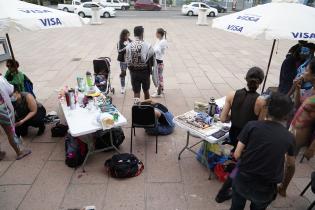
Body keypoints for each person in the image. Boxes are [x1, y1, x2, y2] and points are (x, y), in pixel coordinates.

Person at [230, 93, 295, 210]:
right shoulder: (289, 137)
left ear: (267, 109)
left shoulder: (252, 126)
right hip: (265, 189)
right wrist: (284, 187)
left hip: (242, 181)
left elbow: (237, 154)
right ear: (287, 116)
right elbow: (290, 165)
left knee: (236, 206)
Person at [216, 67, 266, 203]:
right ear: (260, 82)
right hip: (247, 140)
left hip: (233, 134)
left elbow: (222, 118)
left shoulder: (232, 94)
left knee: (236, 159)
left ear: (246, 78)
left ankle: (231, 173)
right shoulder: (261, 101)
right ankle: (223, 192)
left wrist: (235, 116)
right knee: (241, 165)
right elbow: (260, 126)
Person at [278, 59, 315, 197]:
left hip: (301, 133)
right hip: (293, 126)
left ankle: (283, 188)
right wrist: (298, 89)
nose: (304, 72)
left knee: (289, 162)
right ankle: (280, 183)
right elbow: (298, 106)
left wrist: (312, 148)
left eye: (307, 70)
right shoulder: (312, 88)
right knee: (284, 158)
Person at [0, 76, 31, 160]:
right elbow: (10, 90)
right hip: (2, 109)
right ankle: (19, 152)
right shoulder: (1, 79)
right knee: (10, 132)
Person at [126, 26, 155, 100]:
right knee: (146, 91)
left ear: (134, 34)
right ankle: (147, 108)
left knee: (136, 92)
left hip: (134, 73)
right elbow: (152, 60)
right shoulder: (147, 45)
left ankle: (136, 109)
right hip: (145, 72)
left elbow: (127, 61)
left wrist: (132, 68)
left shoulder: (129, 46)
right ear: (142, 34)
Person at [151, 28, 168, 98]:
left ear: (159, 34)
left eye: (156, 33)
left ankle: (158, 93)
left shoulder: (162, 42)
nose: (155, 34)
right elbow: (154, 48)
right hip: (158, 61)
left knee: (157, 77)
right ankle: (161, 89)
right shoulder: (159, 40)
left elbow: (156, 50)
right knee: (160, 76)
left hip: (158, 62)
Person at [117, 29, 131, 94]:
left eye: (128, 35)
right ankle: (122, 87)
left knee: (132, 73)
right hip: (123, 61)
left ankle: (133, 85)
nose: (128, 37)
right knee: (123, 73)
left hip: (130, 61)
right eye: (127, 36)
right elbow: (119, 51)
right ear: (123, 35)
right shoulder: (120, 42)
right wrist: (126, 48)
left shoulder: (130, 41)